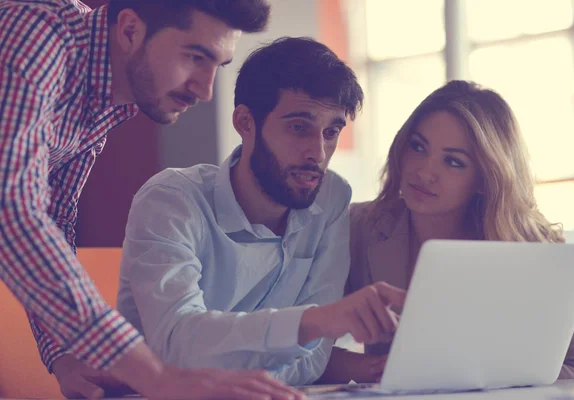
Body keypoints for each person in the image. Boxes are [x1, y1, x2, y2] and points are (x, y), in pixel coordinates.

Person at [0, 1, 307, 399]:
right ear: (130, 30)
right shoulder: (37, 32)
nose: (205, 89)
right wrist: (155, 375)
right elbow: (14, 210)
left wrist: (64, 353)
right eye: (195, 56)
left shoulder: (101, 102)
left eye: (218, 65)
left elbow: (51, 220)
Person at [116, 36, 406, 386]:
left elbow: (313, 360)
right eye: (299, 127)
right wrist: (313, 322)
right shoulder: (171, 200)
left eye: (331, 132)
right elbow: (176, 346)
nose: (318, 152)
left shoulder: (330, 196)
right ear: (245, 122)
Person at [319, 80, 574, 384]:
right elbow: (298, 350)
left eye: (453, 161)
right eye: (418, 147)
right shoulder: (359, 226)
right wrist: (373, 368)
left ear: (484, 178)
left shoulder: (530, 245)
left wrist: (469, 376)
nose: (424, 172)